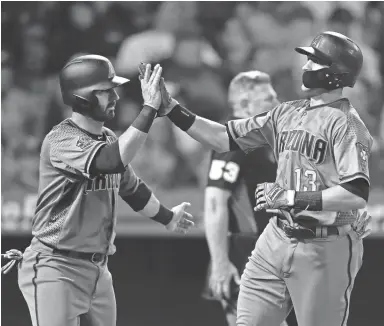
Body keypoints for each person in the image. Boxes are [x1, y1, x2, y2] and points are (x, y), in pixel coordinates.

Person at [157, 31, 373, 325]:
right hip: (276, 236)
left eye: (315, 61)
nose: (305, 66)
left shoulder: (348, 124)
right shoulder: (285, 112)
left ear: (336, 74)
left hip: (325, 246)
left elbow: (356, 192)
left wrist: (292, 198)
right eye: (308, 59)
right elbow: (222, 137)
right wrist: (171, 109)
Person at [2, 55, 194, 326]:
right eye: (105, 91)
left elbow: (133, 189)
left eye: (112, 90)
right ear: (81, 98)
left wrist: (168, 217)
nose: (114, 97)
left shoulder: (109, 138)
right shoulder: (60, 139)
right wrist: (149, 108)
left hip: (98, 270)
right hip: (56, 266)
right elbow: (110, 161)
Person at [201, 71, 294, 326]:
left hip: (265, 252)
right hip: (244, 253)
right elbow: (214, 201)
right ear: (244, 105)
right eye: (268, 99)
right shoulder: (233, 141)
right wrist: (221, 263)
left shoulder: (260, 140)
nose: (276, 103)